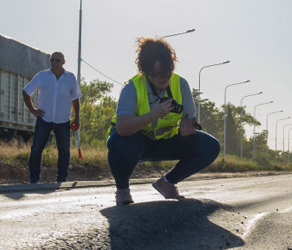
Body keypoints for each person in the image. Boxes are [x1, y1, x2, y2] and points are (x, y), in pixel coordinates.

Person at [107, 37, 220, 205]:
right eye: (157, 75)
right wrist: (153, 114)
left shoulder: (180, 84)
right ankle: (122, 189)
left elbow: (188, 121)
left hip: (168, 141)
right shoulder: (132, 87)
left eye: (167, 73)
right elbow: (122, 128)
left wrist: (187, 130)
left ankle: (167, 182)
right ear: (145, 71)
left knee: (210, 145)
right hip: (137, 143)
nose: (163, 79)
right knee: (118, 142)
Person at [22, 52, 81, 184]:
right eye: (52, 60)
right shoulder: (42, 76)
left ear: (63, 62)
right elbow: (26, 92)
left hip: (63, 120)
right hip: (44, 119)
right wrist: (33, 110)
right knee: (36, 149)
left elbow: (75, 99)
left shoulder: (70, 78)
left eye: (57, 60)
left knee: (64, 150)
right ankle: (34, 179)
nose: (54, 63)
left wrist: (77, 118)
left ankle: (61, 179)